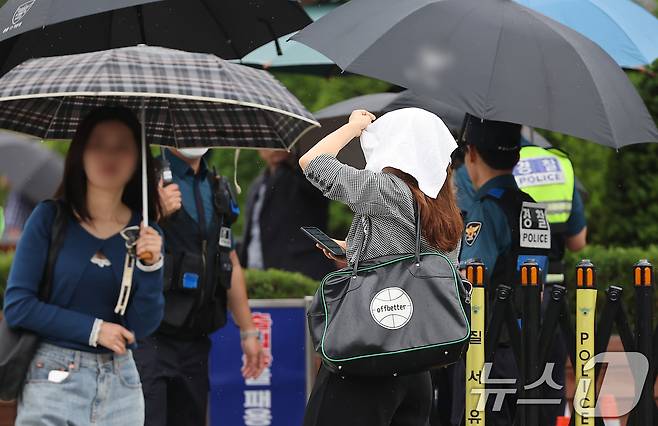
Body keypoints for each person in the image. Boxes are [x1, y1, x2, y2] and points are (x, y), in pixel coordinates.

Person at [299, 107, 463, 426]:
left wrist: (353, 127)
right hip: (416, 364)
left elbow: (312, 161)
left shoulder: (384, 189)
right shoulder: (446, 210)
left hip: (367, 352)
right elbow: (409, 262)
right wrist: (354, 251)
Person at [4, 106, 165, 425]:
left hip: (122, 385)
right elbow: (19, 306)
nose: (110, 155)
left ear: (138, 160)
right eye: (98, 144)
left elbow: (141, 327)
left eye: (123, 146)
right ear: (81, 152)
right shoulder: (50, 219)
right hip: (52, 379)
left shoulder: (145, 234)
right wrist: (94, 330)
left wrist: (151, 266)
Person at [134, 147, 267, 426]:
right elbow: (117, 245)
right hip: (150, 337)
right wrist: (154, 214)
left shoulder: (217, 184)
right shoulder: (145, 177)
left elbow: (228, 259)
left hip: (196, 340)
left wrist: (249, 331)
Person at [452, 118, 551, 425]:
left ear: (471, 154)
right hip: (529, 344)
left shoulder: (486, 209)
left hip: (488, 346)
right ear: (518, 157)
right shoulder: (533, 207)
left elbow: (471, 279)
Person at [239, 149, 335, 280]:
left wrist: (295, 162)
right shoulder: (258, 184)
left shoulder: (301, 176)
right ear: (259, 150)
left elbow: (322, 191)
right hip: (258, 271)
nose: (274, 148)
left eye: (278, 144)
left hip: (301, 272)